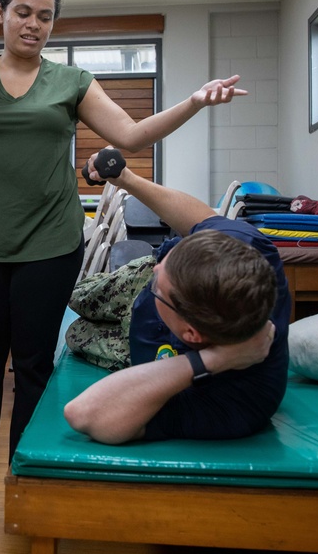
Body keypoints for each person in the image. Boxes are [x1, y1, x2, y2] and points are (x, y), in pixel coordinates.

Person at [0, 0, 248, 518]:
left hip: (50, 242)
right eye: (23, 12)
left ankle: (26, 469)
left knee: (32, 365)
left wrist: (194, 101)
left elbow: (130, 134)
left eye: (45, 16)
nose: (33, 24)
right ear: (0, 13)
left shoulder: (71, 81)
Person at [63, 156, 289, 443]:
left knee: (75, 335)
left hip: (145, 347)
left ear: (191, 334)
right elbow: (201, 220)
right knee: (78, 297)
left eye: (158, 282)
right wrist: (126, 179)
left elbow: (84, 413)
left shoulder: (233, 401)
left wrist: (211, 360)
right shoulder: (243, 252)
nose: (156, 269)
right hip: (147, 298)